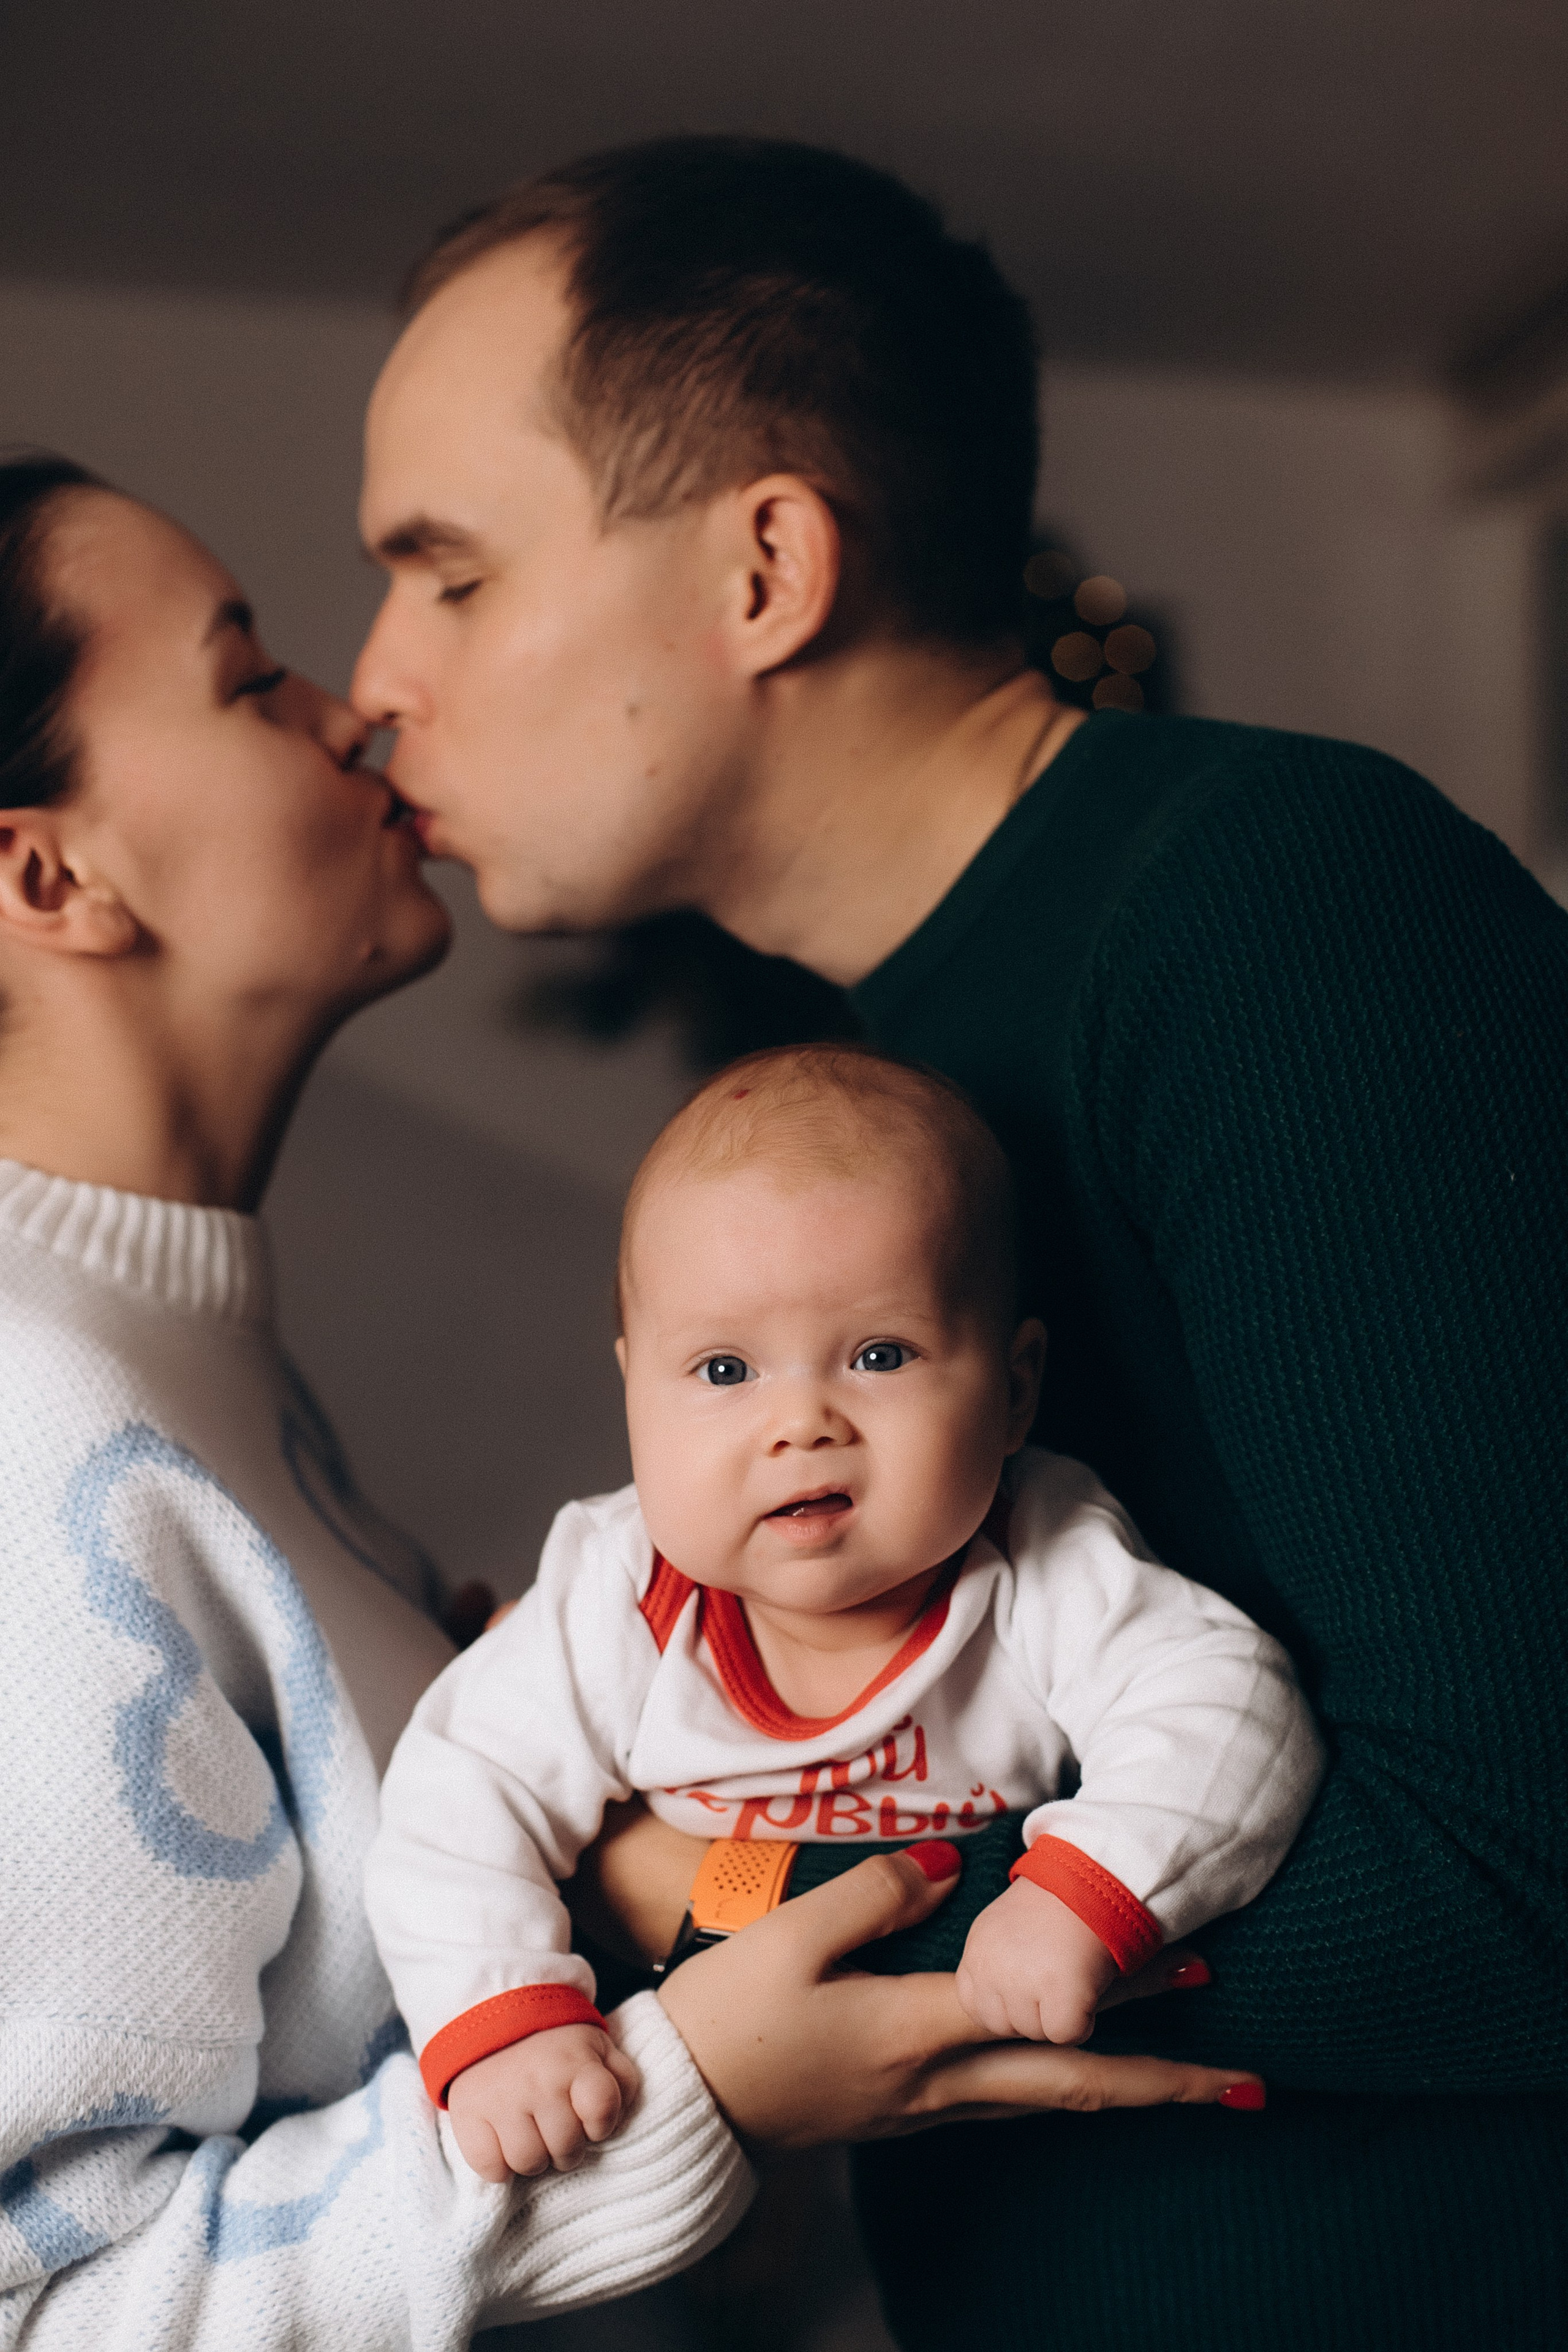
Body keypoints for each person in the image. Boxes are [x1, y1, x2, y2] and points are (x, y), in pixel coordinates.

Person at [349, 137, 1568, 2350]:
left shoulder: (1276, 916)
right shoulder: (875, 1082)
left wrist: (690, 1894)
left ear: (764, 569)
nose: (373, 682)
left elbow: (1529, 1868)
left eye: (444, 572)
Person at [0, 456, 1251, 2351]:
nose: (362, 703)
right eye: (250, 677)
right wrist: (700, 2086)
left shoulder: (184, 1359)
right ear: (48, 873)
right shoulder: (33, 1429)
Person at [367, 1044, 1319, 2183]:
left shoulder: (1039, 1556)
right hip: (712, 2064)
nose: (802, 1423)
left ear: (1015, 1390)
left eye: (878, 1354)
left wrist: (1093, 1888)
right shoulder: (617, 1598)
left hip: (1039, 2113)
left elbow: (1231, 1707)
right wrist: (508, 2020)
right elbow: (453, 1793)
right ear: (633, 1389)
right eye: (724, 1371)